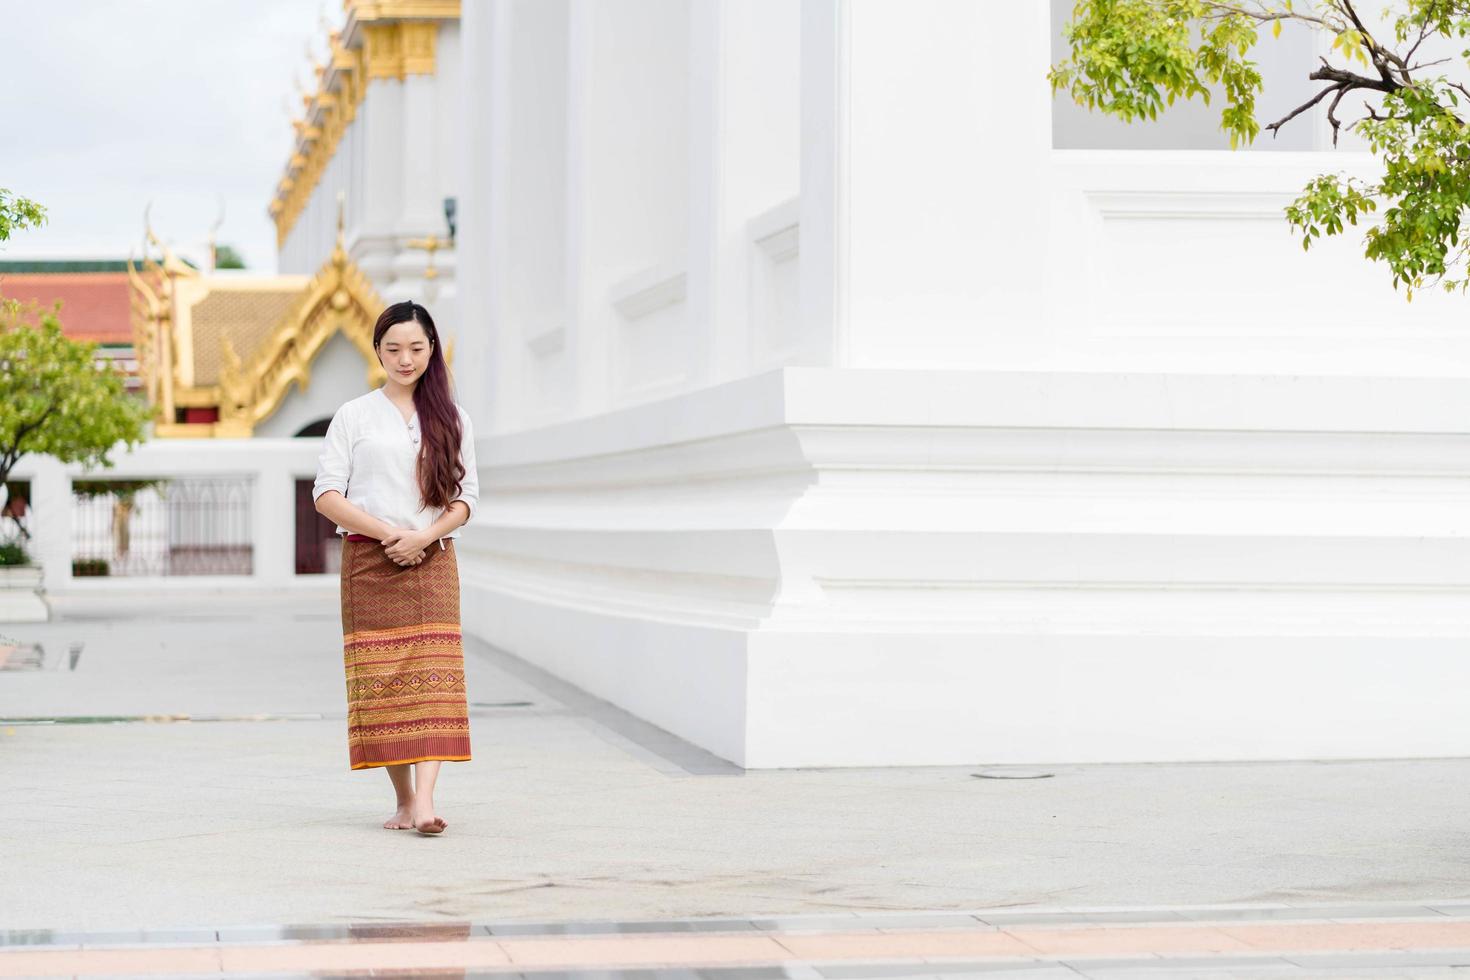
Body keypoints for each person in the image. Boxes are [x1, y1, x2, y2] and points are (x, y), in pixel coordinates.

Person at [311, 300, 479, 836]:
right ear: (378, 350)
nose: (405, 359)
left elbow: (466, 497)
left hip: (433, 562)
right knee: (383, 684)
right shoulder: (353, 416)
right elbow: (326, 494)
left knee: (434, 681)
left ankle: (427, 803)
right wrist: (390, 536)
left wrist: (424, 537)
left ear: (432, 350)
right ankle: (404, 799)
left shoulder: (452, 418)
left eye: (416, 348)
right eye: (393, 349)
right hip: (369, 562)